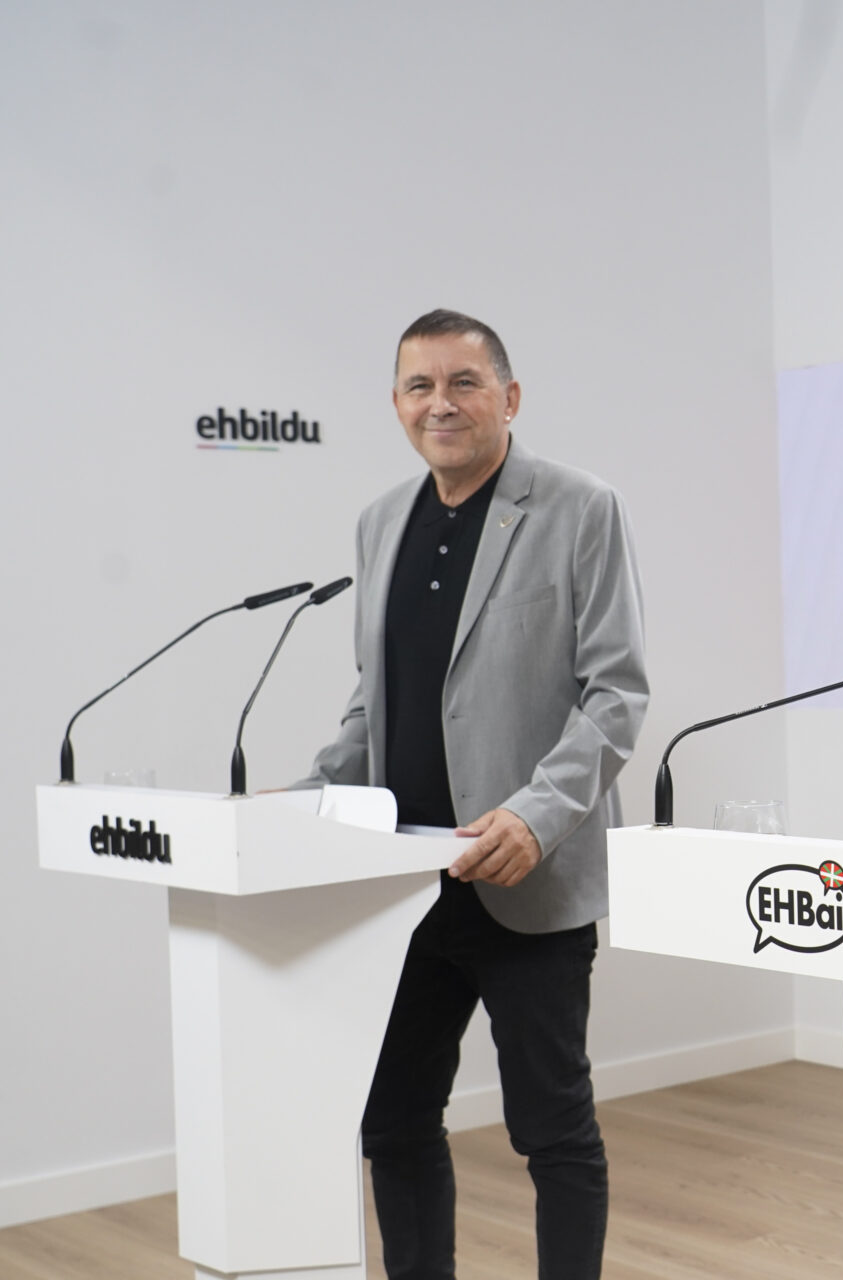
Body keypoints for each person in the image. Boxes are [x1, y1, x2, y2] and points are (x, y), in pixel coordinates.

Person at [299, 309, 648, 1280]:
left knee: (553, 1130)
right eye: (420, 386)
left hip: (524, 874)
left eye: (464, 381)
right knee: (394, 1119)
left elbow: (616, 693)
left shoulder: (580, 506)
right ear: (397, 404)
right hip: (402, 885)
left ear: (510, 396)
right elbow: (375, 701)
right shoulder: (380, 522)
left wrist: (535, 816)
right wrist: (302, 796)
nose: (441, 404)